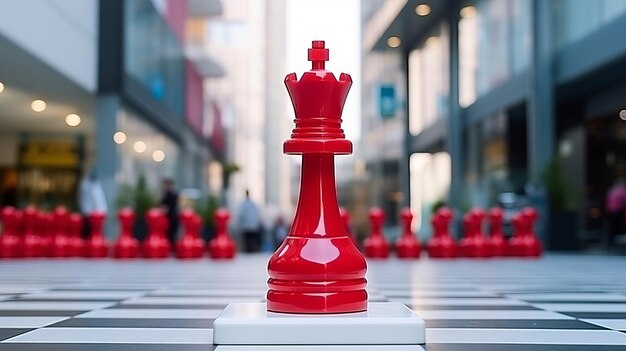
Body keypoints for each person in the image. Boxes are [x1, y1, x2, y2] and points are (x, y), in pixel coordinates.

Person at [78, 171, 108, 238]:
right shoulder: (85, 184)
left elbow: (99, 202)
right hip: (89, 215)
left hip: (95, 216)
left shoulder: (95, 185)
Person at [605, 165, 626, 245]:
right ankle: (618, 242)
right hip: (618, 212)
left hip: (610, 211)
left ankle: (611, 241)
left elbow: (607, 201)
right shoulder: (622, 190)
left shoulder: (611, 190)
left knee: (612, 228)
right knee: (619, 227)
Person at [160, 178, 179, 246]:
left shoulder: (171, 194)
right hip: (169, 217)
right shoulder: (166, 193)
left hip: (172, 216)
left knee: (171, 233)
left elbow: (166, 205)